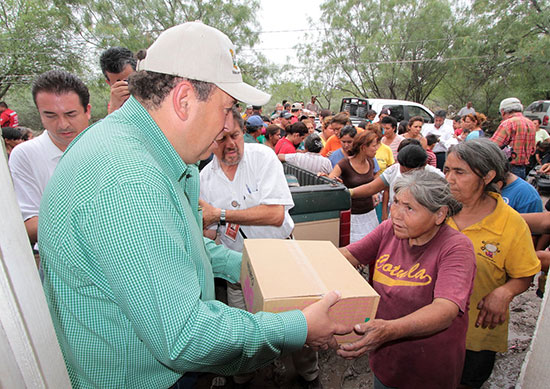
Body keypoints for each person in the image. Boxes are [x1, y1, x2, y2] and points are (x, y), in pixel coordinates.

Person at [37, 22, 349, 389]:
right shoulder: (129, 179)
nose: (227, 129)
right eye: (226, 108)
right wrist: (299, 326)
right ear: (184, 100)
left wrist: (251, 267)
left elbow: (182, 248)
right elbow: (183, 336)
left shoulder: (147, 153)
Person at [199, 109, 321, 388]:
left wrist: (218, 215)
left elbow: (275, 215)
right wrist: (201, 228)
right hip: (237, 268)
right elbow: (209, 229)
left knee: (298, 324)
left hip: (280, 260)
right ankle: (243, 378)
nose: (230, 144)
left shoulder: (262, 157)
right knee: (241, 330)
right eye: (221, 139)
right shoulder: (204, 178)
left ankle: (309, 377)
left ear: (244, 133)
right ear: (209, 142)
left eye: (235, 135)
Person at [338, 170, 476, 389]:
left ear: (440, 214)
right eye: (395, 203)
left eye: (409, 208)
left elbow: (445, 310)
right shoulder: (389, 230)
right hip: (387, 358)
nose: (396, 214)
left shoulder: (456, 248)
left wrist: (389, 330)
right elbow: (347, 256)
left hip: (428, 367)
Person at [443, 138, 540, 388]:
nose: (449, 179)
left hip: (476, 332)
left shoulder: (510, 223)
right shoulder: (437, 209)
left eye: (459, 172)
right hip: (430, 328)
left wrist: (505, 292)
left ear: (487, 176)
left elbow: (525, 273)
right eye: (447, 170)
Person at [9, 70, 91, 246]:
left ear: (87, 111)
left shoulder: (108, 148)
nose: (63, 124)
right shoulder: (25, 155)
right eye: (50, 115)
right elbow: (28, 226)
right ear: (39, 114)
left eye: (71, 114)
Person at [330, 131, 380, 243]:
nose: (376, 148)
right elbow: (330, 181)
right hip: (352, 216)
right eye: (374, 145)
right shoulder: (344, 164)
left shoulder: (371, 162)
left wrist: (374, 193)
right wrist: (337, 183)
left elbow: (374, 182)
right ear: (363, 147)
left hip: (369, 214)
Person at [490, 97, 536, 179]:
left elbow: (493, 146)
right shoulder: (531, 124)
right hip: (523, 168)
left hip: (509, 168)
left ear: (503, 112)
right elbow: (532, 150)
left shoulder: (508, 123)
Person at [99, 46, 137, 113]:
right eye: (118, 83)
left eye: (129, 80)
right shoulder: (113, 106)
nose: (125, 86)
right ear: (109, 83)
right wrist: (114, 108)